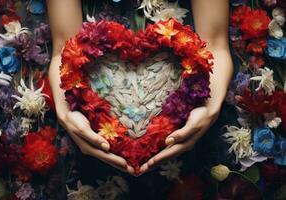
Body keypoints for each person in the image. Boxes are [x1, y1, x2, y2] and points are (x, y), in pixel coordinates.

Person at [46, 0, 233, 197]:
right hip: (93, 135)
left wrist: (209, 107)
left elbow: (214, 43)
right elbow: (65, 48)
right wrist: (67, 112)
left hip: (188, 132)